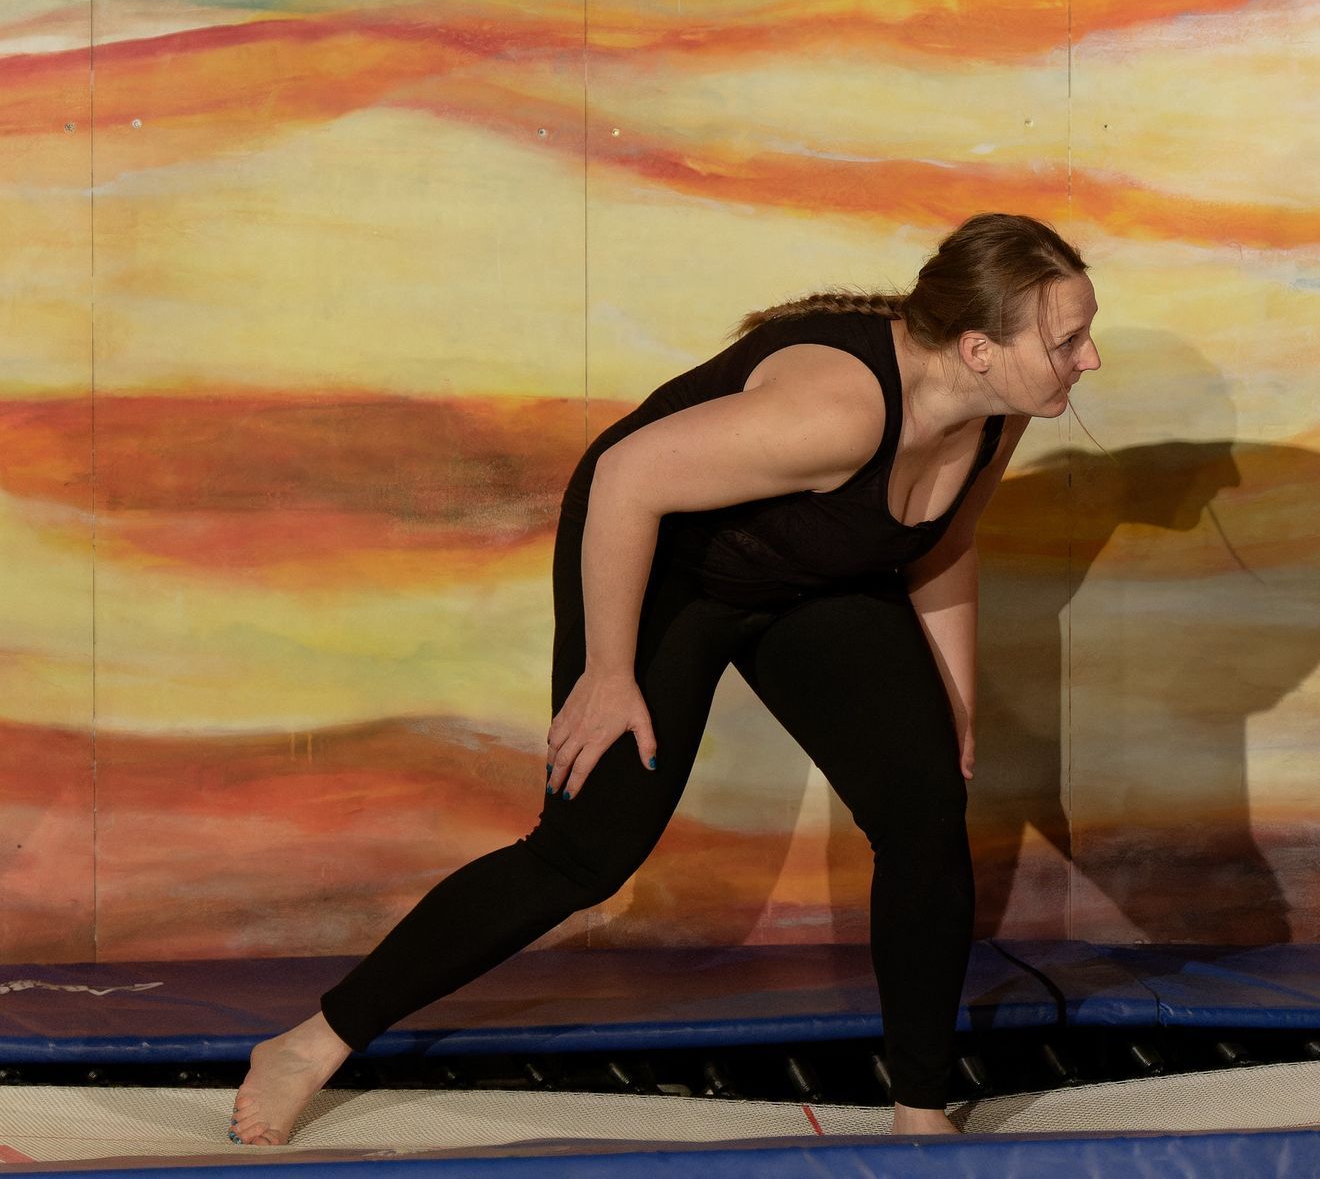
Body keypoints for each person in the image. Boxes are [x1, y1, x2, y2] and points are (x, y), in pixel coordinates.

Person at [229, 212, 1100, 1145]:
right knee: (587, 852)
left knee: (924, 806)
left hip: (814, 573)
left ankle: (919, 1110)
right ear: (977, 347)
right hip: (661, 566)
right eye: (1068, 340)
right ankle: (313, 1041)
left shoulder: (994, 410)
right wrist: (609, 672)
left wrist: (951, 698)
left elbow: (945, 539)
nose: (1089, 360)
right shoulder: (834, 410)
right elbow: (626, 478)